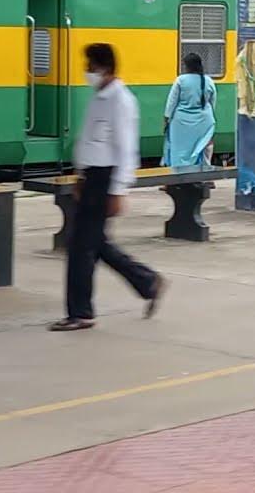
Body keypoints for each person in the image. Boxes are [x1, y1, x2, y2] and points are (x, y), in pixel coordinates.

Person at [49, 43, 167, 332]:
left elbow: (126, 148)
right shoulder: (99, 97)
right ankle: (148, 281)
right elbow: (89, 140)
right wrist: (80, 175)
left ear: (105, 67)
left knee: (81, 248)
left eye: (90, 66)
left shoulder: (120, 100)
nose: (87, 71)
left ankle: (81, 312)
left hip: (106, 179)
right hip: (91, 178)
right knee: (93, 243)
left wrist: (118, 190)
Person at [162, 53, 217, 167]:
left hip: (180, 123)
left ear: (187, 66)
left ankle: (177, 178)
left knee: (177, 151)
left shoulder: (181, 80)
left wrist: (166, 119)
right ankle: (204, 177)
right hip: (204, 121)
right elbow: (212, 103)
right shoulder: (208, 81)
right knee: (202, 148)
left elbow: (172, 102)